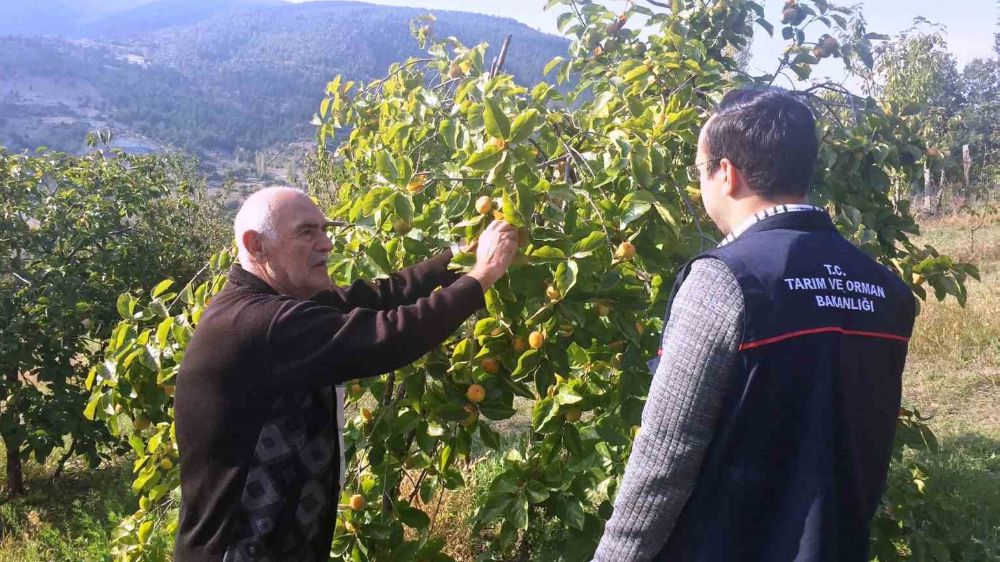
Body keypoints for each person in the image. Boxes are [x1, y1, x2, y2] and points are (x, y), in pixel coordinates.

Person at [593, 88, 916, 561]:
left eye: (699, 170)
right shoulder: (885, 290)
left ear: (726, 174)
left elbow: (665, 455)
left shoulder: (725, 282)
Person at [173, 187, 518, 562]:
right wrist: (482, 276)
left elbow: (381, 295)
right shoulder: (256, 323)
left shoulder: (282, 306)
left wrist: (455, 256)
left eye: (324, 229)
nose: (327, 243)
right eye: (307, 232)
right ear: (256, 245)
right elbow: (388, 336)